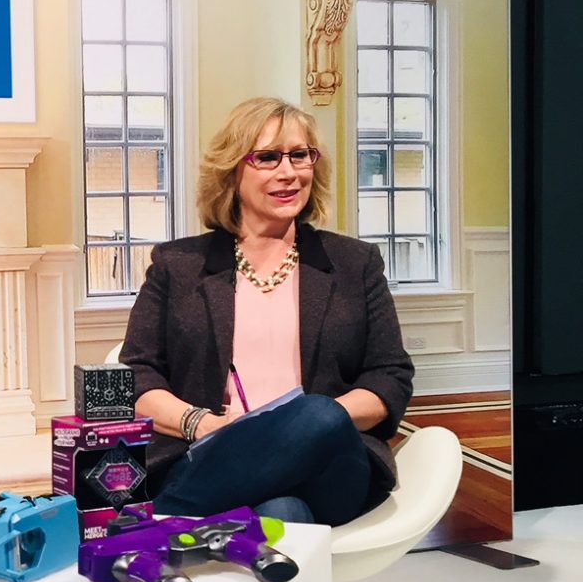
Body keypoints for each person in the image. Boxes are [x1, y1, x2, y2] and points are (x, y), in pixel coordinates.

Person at [120, 95, 414, 527]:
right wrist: (201, 424)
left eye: (300, 155)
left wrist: (298, 424)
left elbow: (389, 377)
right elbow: (137, 375)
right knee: (282, 513)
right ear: (232, 169)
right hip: (212, 457)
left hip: (330, 465)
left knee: (319, 413)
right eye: (268, 157)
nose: (289, 172)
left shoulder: (356, 263)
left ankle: (151, 523)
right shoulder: (177, 265)